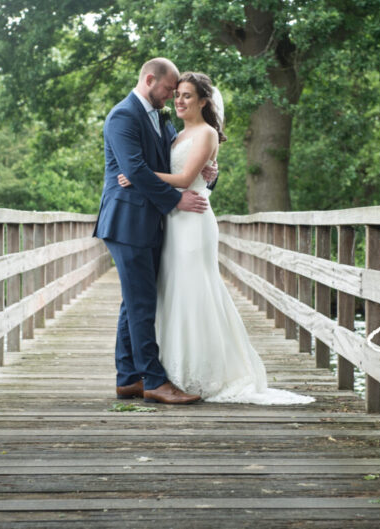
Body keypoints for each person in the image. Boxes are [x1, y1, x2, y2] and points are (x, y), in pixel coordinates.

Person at [117, 72, 313, 405]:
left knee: (196, 288)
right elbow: (187, 174)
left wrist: (138, 177)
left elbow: (184, 178)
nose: (178, 101)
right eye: (176, 94)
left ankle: (204, 372)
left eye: (187, 96)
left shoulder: (207, 133)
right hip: (172, 221)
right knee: (171, 291)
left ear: (204, 101)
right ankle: (166, 371)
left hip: (193, 221)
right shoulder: (174, 134)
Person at [93, 58, 217, 405]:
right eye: (168, 90)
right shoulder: (123, 116)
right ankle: (154, 381)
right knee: (143, 303)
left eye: (180, 93)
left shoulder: (161, 121)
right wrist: (176, 201)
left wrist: (209, 173)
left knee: (133, 302)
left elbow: (179, 166)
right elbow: (135, 168)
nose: (172, 98)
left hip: (151, 222)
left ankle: (128, 378)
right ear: (150, 80)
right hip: (127, 221)